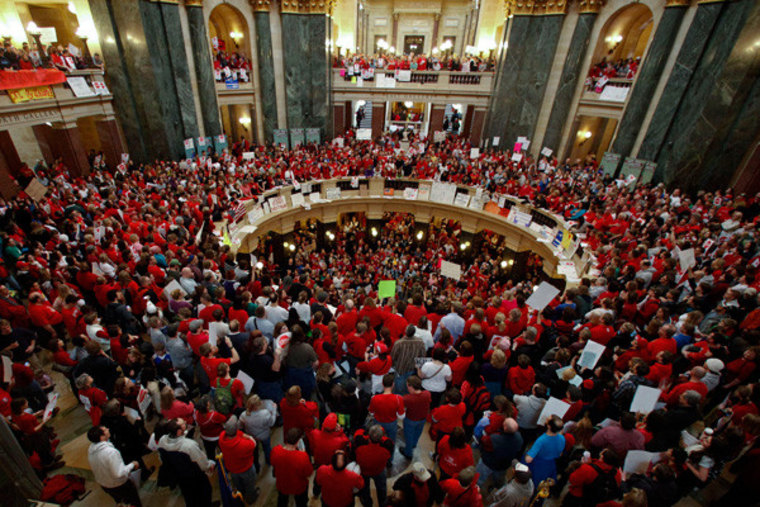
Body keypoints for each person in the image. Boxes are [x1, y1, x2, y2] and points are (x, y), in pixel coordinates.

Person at [158, 418, 215, 507]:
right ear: (179, 432)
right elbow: (202, 463)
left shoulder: (162, 440)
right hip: (195, 477)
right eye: (183, 423)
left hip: (179, 476)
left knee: (189, 496)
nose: (185, 422)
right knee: (205, 494)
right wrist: (209, 465)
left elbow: (162, 458)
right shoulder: (189, 445)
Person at [87, 425, 142, 507]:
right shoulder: (110, 452)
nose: (108, 429)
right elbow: (119, 473)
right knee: (133, 501)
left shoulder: (91, 450)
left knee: (120, 500)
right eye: (105, 430)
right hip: (118, 485)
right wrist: (132, 464)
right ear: (102, 437)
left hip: (104, 484)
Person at [218, 415, 259, 504]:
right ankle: (251, 499)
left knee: (238, 485)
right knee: (250, 485)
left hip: (232, 468)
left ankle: (241, 497)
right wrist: (248, 437)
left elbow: (238, 433)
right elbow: (253, 444)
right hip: (246, 468)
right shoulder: (244, 445)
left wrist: (241, 434)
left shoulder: (222, 438)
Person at [476, 417, 523, 490]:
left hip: (489, 463)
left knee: (479, 477)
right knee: (499, 480)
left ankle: (475, 488)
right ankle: (497, 489)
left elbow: (484, 443)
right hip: (503, 465)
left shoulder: (495, 439)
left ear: (505, 427)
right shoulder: (519, 438)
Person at [271, 427, 313, 507]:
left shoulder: (276, 451)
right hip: (298, 486)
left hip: (282, 483)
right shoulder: (302, 456)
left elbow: (273, 463)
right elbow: (309, 472)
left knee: (282, 500)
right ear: (297, 442)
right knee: (301, 502)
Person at [354, 424, 394, 507]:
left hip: (364, 471)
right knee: (382, 488)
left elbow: (357, 434)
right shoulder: (386, 447)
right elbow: (389, 444)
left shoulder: (360, 446)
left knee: (365, 488)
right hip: (379, 470)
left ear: (369, 436)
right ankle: (383, 503)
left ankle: (367, 503)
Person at [524, 415, 565, 486]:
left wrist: (527, 454)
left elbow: (528, 459)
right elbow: (560, 454)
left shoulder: (541, 440)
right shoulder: (562, 438)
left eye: (547, 420)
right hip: (550, 464)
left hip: (538, 464)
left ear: (549, 426)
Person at [238, 394, 277, 469]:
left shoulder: (243, 415)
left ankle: (256, 466)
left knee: (254, 452)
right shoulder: (265, 413)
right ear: (258, 405)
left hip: (252, 437)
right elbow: (271, 423)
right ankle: (269, 461)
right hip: (264, 435)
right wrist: (274, 410)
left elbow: (239, 426)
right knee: (267, 448)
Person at [369, 373, 405, 444]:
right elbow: (401, 416)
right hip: (391, 424)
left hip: (377, 423)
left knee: (376, 441)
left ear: (382, 384)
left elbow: (371, 413)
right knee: (390, 443)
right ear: (393, 384)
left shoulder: (374, 398)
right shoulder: (398, 398)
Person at [401, 375, 431, 459]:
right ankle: (414, 444)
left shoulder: (407, 398)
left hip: (410, 420)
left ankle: (408, 453)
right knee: (417, 433)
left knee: (408, 436)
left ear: (411, 386)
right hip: (422, 419)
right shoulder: (427, 394)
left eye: (407, 385)